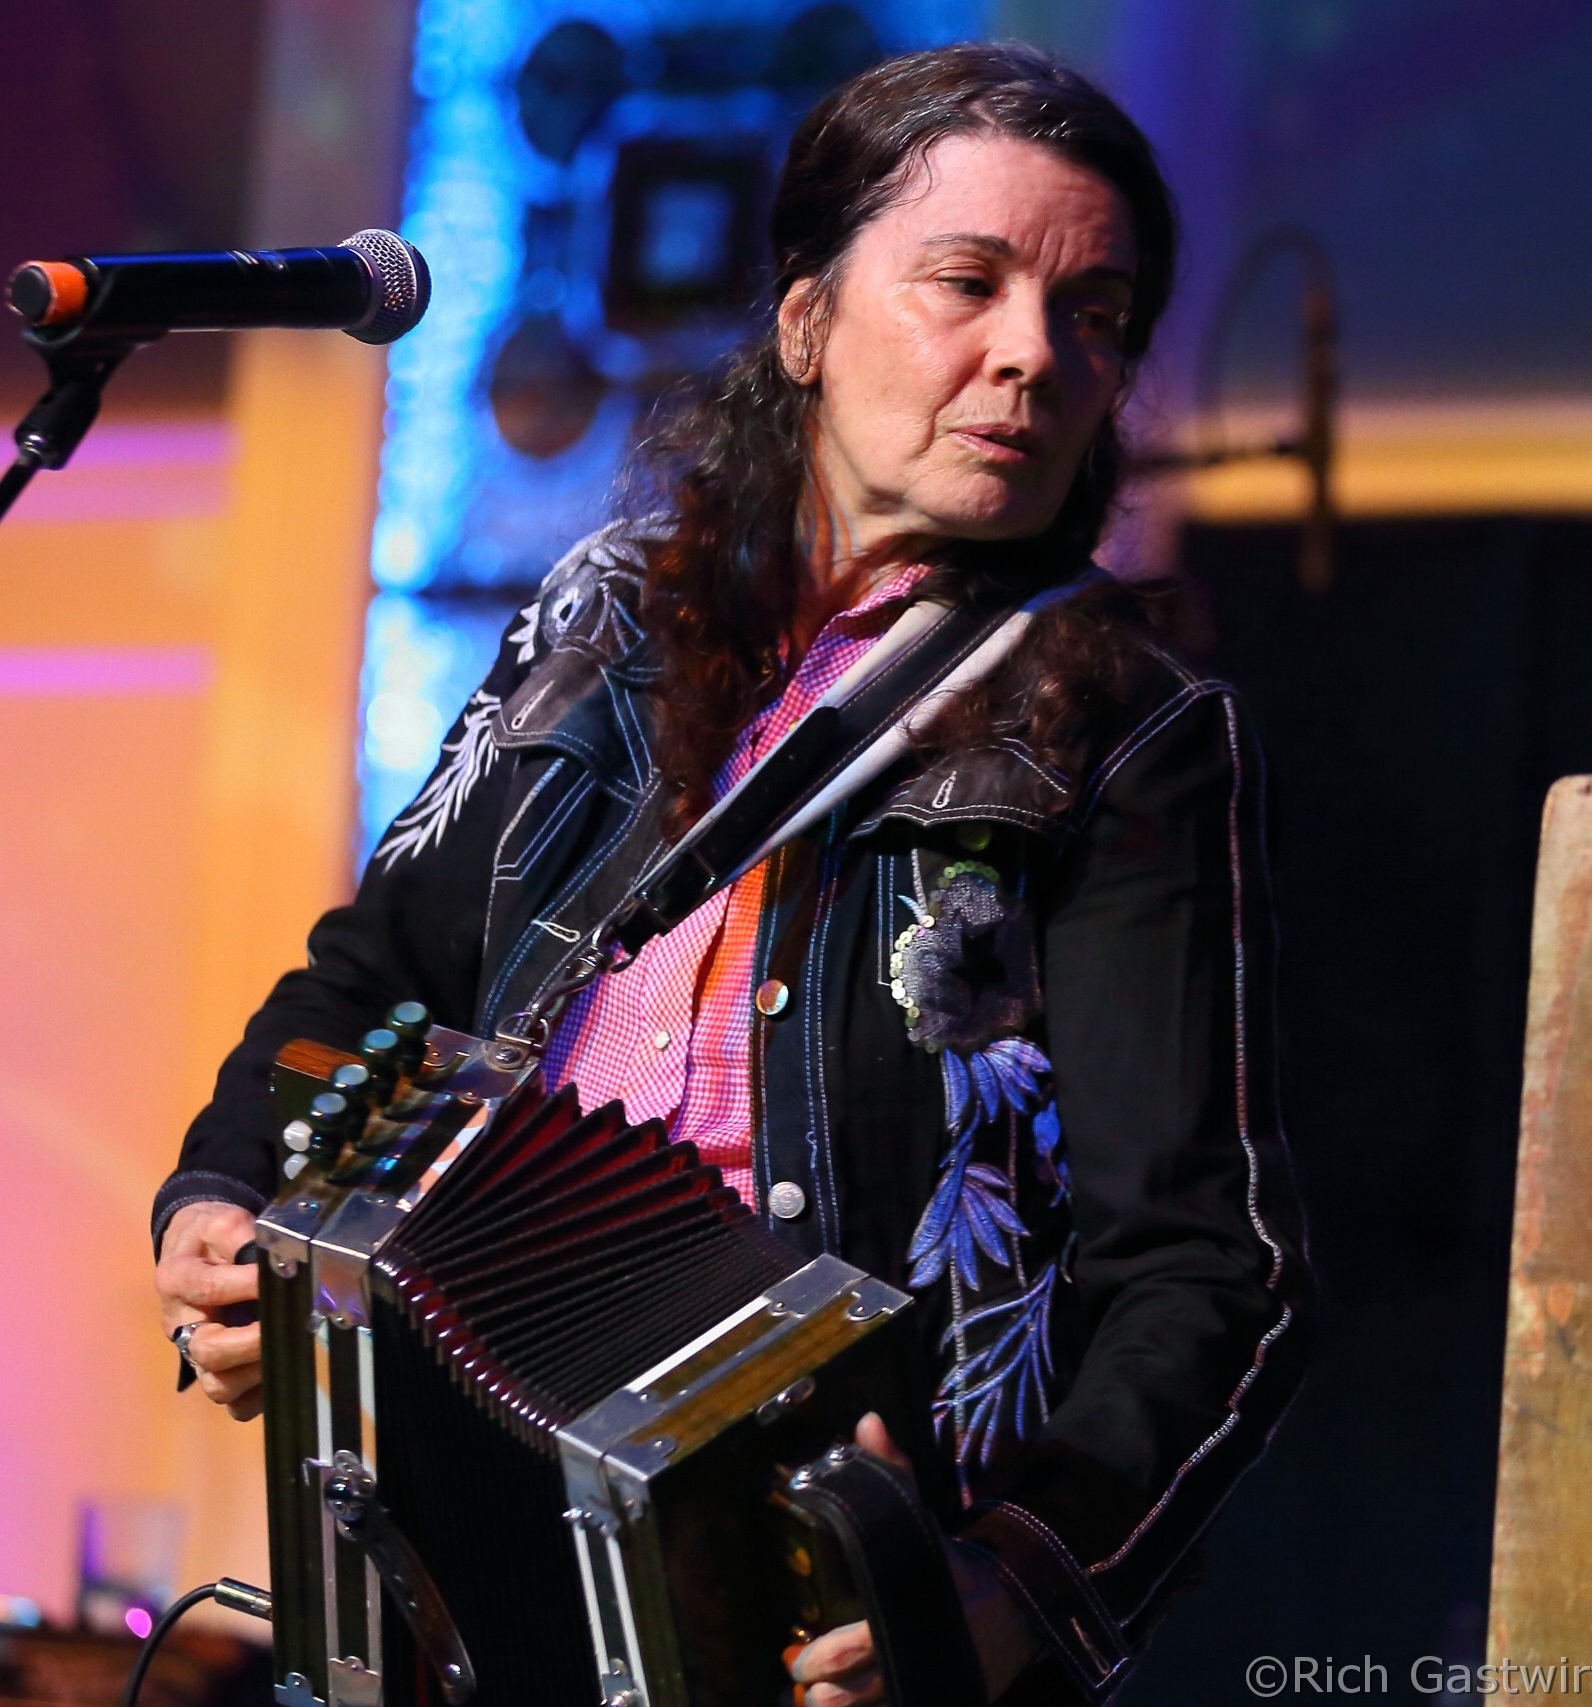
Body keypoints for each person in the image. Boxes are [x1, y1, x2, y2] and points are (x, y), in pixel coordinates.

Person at [152, 41, 1309, 1707]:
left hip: (830, 1602)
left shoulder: (1124, 724)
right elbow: (371, 987)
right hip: (459, 1551)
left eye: (1095, 313)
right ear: (808, 321)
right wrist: (223, 1197)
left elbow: (1217, 1273)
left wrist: (1021, 1581)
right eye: (968, 283)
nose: (1033, 355)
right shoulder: (605, 613)